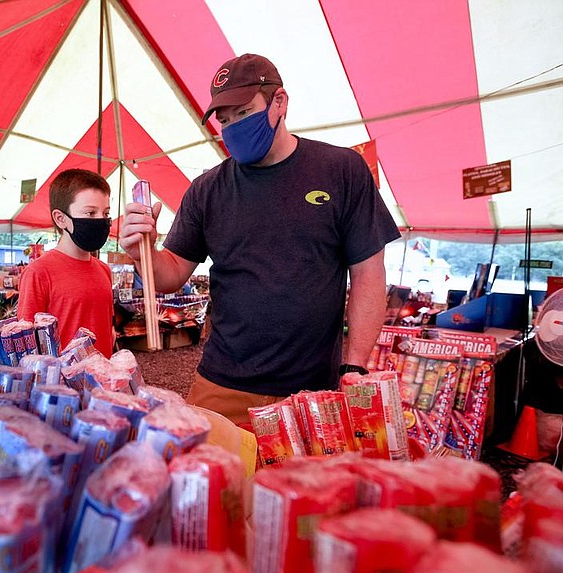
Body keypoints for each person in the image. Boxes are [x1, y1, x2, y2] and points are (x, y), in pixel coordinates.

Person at [118, 54, 401, 424]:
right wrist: (143, 250)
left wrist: (356, 366)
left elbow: (367, 271)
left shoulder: (341, 170)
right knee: (213, 478)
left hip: (311, 388)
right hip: (222, 381)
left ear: (278, 102)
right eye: (224, 119)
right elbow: (171, 274)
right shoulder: (207, 189)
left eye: (244, 112)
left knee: (304, 484)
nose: (233, 126)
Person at [17, 168, 115, 357]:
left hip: (103, 381)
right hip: (60, 384)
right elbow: (26, 345)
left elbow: (107, 330)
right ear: (60, 219)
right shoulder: (38, 273)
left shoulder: (104, 270)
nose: (101, 221)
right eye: (90, 213)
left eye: (105, 213)